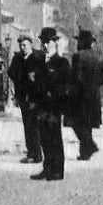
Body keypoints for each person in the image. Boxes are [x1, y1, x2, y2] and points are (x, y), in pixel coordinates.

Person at [32, 27, 70, 181]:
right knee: (44, 137)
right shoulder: (41, 61)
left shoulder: (61, 62)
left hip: (54, 106)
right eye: (43, 42)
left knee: (55, 136)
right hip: (42, 105)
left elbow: (64, 85)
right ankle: (47, 167)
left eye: (48, 42)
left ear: (55, 42)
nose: (45, 45)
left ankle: (57, 170)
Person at [67, 30, 103, 160]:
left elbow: (76, 77)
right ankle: (85, 152)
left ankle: (90, 145)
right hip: (94, 96)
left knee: (76, 123)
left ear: (81, 42)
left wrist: (71, 91)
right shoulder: (96, 58)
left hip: (81, 96)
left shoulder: (78, 56)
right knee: (87, 125)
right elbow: (102, 79)